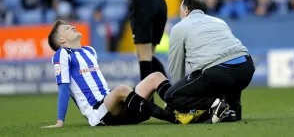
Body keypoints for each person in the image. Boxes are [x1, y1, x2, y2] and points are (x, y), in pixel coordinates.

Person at [41, 20, 194, 128]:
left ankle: (185, 109)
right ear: (61, 39)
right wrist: (60, 121)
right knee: (121, 89)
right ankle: (175, 118)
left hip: (116, 108)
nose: (72, 26)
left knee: (156, 76)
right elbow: (63, 87)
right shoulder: (62, 54)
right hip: (98, 112)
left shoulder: (89, 50)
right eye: (67, 28)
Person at [164, 0, 255, 123]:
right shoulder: (220, 21)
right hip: (246, 69)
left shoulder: (179, 27)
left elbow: (176, 65)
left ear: (186, 10)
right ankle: (233, 110)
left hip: (218, 73)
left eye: (180, 11)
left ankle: (214, 104)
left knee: (171, 96)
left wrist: (177, 95)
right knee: (230, 67)